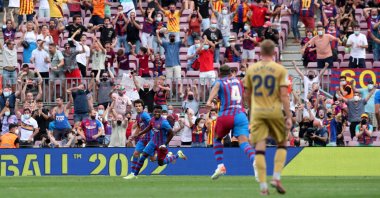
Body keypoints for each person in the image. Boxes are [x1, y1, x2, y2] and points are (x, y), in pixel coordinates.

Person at [244, 40, 291, 195]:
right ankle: (276, 177)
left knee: (259, 147)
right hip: (274, 110)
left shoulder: (252, 69)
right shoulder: (280, 69)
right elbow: (284, 95)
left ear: (260, 52)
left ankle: (263, 185)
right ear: (274, 52)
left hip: (257, 112)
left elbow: (247, 94)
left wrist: (252, 110)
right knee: (282, 143)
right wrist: (288, 116)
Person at [205, 65, 255, 180]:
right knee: (243, 142)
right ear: (230, 73)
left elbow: (216, 87)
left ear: (219, 73)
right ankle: (254, 160)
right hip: (240, 115)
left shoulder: (220, 82)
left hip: (226, 115)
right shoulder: (238, 81)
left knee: (217, 139)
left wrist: (208, 100)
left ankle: (221, 165)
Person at [124, 105, 187, 179]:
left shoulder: (164, 122)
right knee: (142, 157)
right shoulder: (152, 119)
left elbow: (171, 133)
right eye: (155, 111)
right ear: (153, 112)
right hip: (153, 142)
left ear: (161, 112)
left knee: (160, 163)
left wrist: (165, 144)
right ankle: (134, 174)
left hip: (161, 144)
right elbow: (149, 127)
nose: (156, 113)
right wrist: (138, 134)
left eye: (158, 111)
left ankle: (177, 155)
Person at [125, 99, 152, 177]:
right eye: (136, 106)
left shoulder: (145, 115)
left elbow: (152, 124)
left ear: (142, 107)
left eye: (139, 106)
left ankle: (169, 156)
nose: (138, 107)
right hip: (143, 139)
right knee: (136, 153)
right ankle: (133, 173)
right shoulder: (137, 116)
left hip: (150, 138)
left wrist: (145, 132)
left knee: (153, 159)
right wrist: (134, 136)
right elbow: (139, 127)